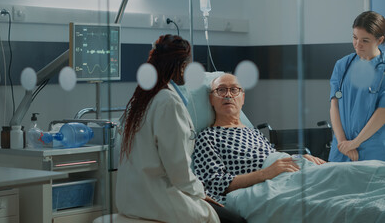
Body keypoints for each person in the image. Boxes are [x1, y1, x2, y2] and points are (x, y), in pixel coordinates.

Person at [115, 35, 244, 223]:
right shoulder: (168, 102)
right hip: (157, 200)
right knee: (236, 221)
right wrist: (201, 194)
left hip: (131, 200)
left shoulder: (141, 100)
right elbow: (179, 171)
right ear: (181, 66)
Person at [193, 73, 326, 203]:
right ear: (211, 99)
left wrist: (300, 157)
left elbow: (277, 159)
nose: (228, 95)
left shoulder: (255, 133)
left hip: (292, 174)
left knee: (340, 172)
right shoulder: (207, 137)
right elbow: (215, 184)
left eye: (234, 90)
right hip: (270, 187)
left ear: (243, 98)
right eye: (221, 90)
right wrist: (265, 173)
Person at [329, 11, 385, 162]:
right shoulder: (342, 65)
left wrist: (355, 143)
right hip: (341, 149)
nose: (357, 45)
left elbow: (382, 113)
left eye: (365, 40)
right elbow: (334, 104)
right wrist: (342, 143)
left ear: (380, 40)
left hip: (372, 150)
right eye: (355, 38)